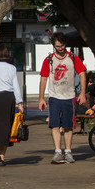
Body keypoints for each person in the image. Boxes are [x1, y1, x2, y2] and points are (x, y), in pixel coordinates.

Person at [38, 32, 87, 164]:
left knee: (68, 125)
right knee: (54, 124)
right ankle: (58, 152)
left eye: (62, 45)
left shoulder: (72, 58)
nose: (60, 48)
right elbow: (43, 78)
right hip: (54, 96)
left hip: (69, 96)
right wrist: (41, 97)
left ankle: (69, 152)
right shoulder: (49, 59)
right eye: (57, 46)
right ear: (53, 45)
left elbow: (82, 74)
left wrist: (82, 93)